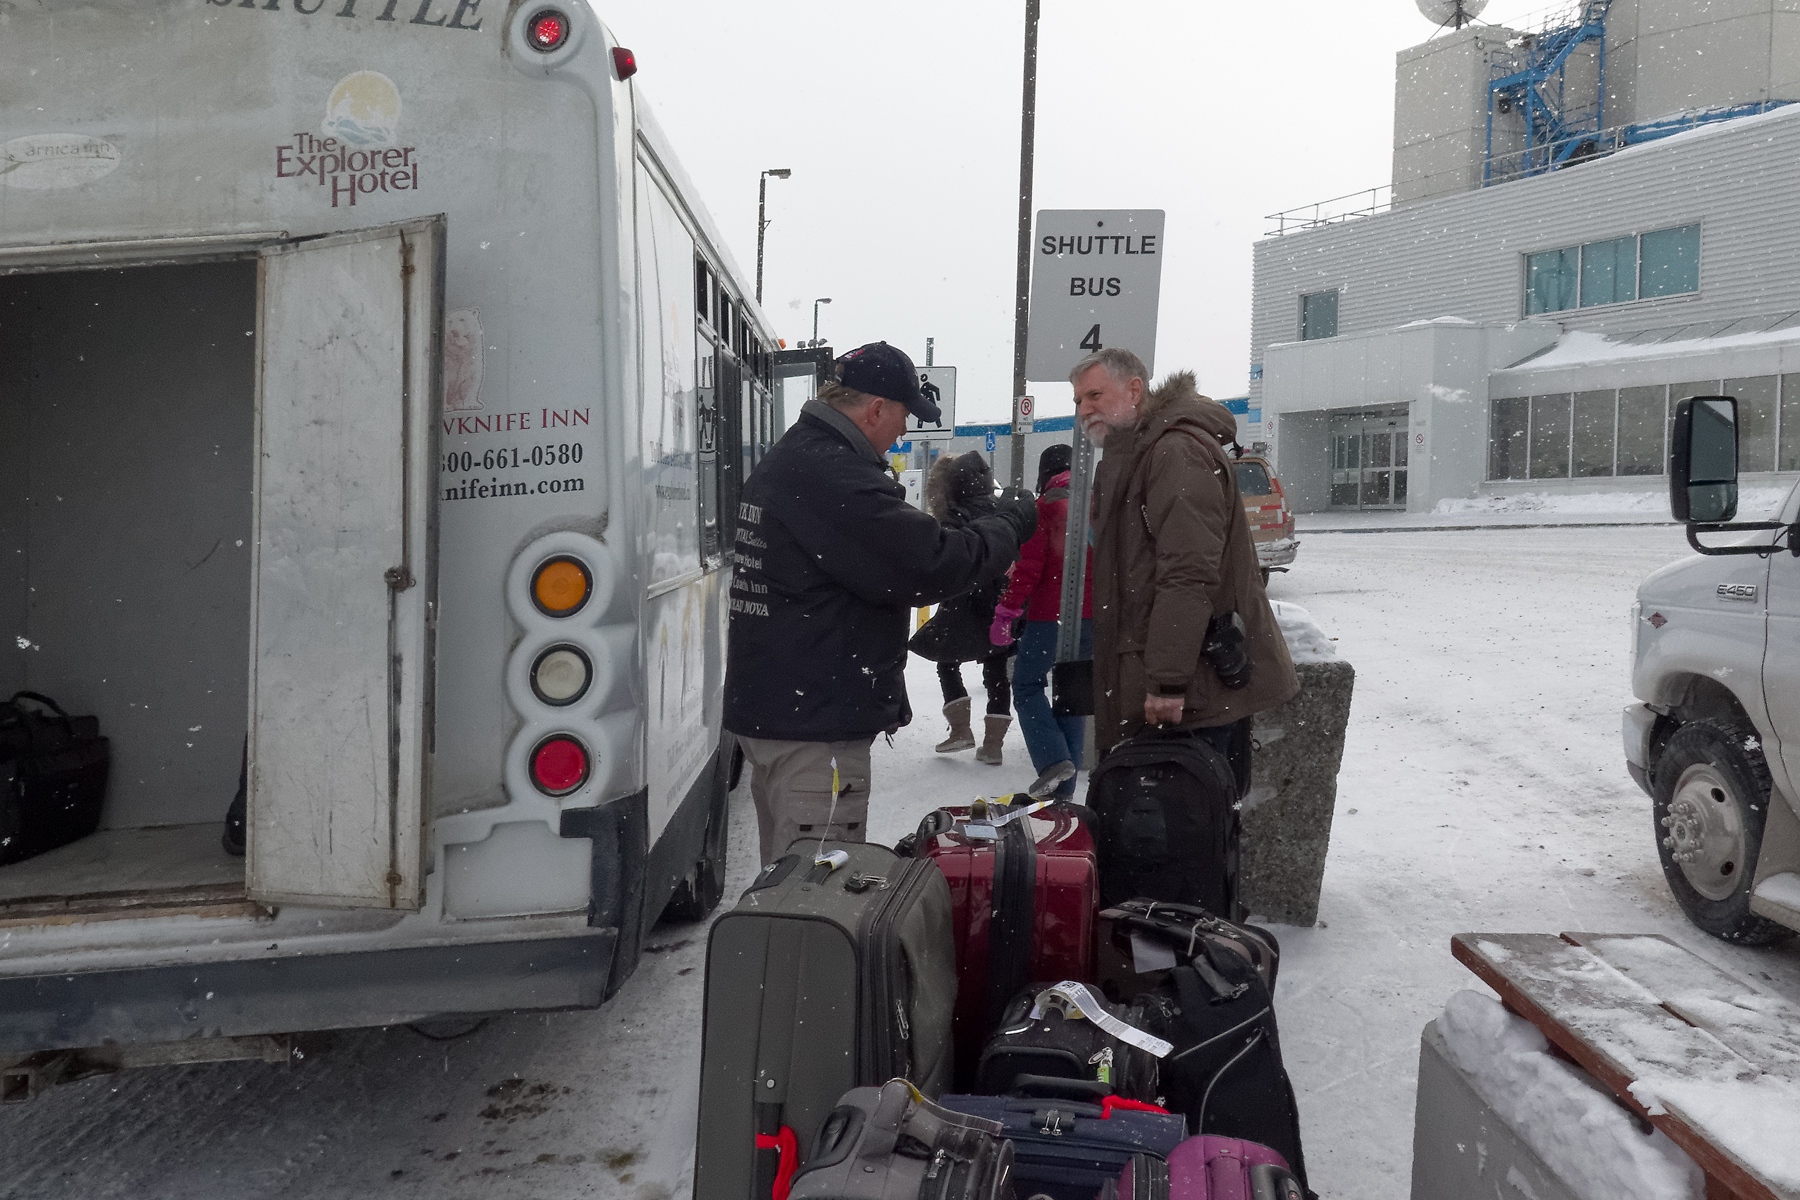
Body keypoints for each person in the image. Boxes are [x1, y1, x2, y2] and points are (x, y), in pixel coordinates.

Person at [724, 342, 1039, 864]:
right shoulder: (832, 475)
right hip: (813, 732)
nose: (902, 432)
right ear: (875, 409)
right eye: (903, 417)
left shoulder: (802, 457)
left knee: (790, 888)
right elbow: (929, 563)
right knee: (816, 901)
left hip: (788, 711)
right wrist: (1008, 523)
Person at [1072, 347, 1297, 785]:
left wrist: (1168, 681)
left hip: (1192, 696)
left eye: (1095, 394)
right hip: (1178, 692)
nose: (1084, 409)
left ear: (1135, 389)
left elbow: (1187, 573)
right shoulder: (1136, 454)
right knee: (1176, 835)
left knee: (1181, 832)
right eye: (1079, 400)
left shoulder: (1174, 452)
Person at [988, 443, 1094, 798]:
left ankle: (1052, 762)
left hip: (1051, 617)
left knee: (1027, 686)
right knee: (1071, 694)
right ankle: (1064, 791)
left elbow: (1028, 570)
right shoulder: (1096, 507)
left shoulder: (1044, 509)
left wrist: (1007, 612)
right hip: (1094, 618)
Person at [924, 451, 1013, 765]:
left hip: (963, 600)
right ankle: (993, 746)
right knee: (997, 672)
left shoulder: (955, 516)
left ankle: (961, 729)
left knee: (946, 661)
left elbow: (946, 561)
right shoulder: (1002, 511)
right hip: (1002, 602)